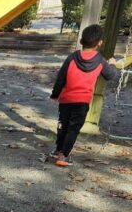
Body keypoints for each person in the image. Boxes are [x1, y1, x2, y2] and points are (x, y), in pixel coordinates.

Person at [49, 24, 119, 167]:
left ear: (82, 40)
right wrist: (112, 64)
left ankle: (58, 150)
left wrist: (55, 94)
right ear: (100, 42)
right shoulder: (100, 60)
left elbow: (60, 78)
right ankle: (64, 155)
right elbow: (111, 76)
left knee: (62, 125)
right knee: (73, 128)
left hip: (66, 99)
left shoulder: (72, 57)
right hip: (82, 101)